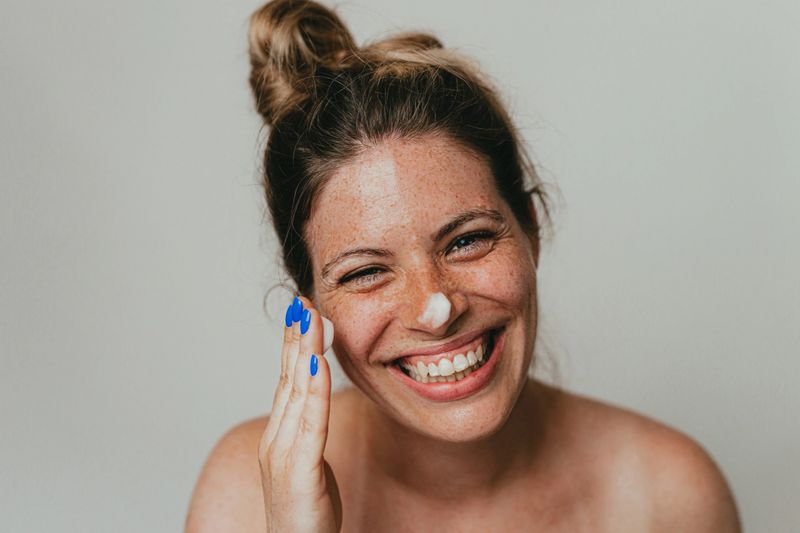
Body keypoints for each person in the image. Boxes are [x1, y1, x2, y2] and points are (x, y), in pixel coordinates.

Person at [185, 1, 741, 531]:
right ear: (308, 302)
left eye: (466, 241)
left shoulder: (672, 494)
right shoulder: (242, 500)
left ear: (532, 229)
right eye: (364, 272)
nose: (436, 307)